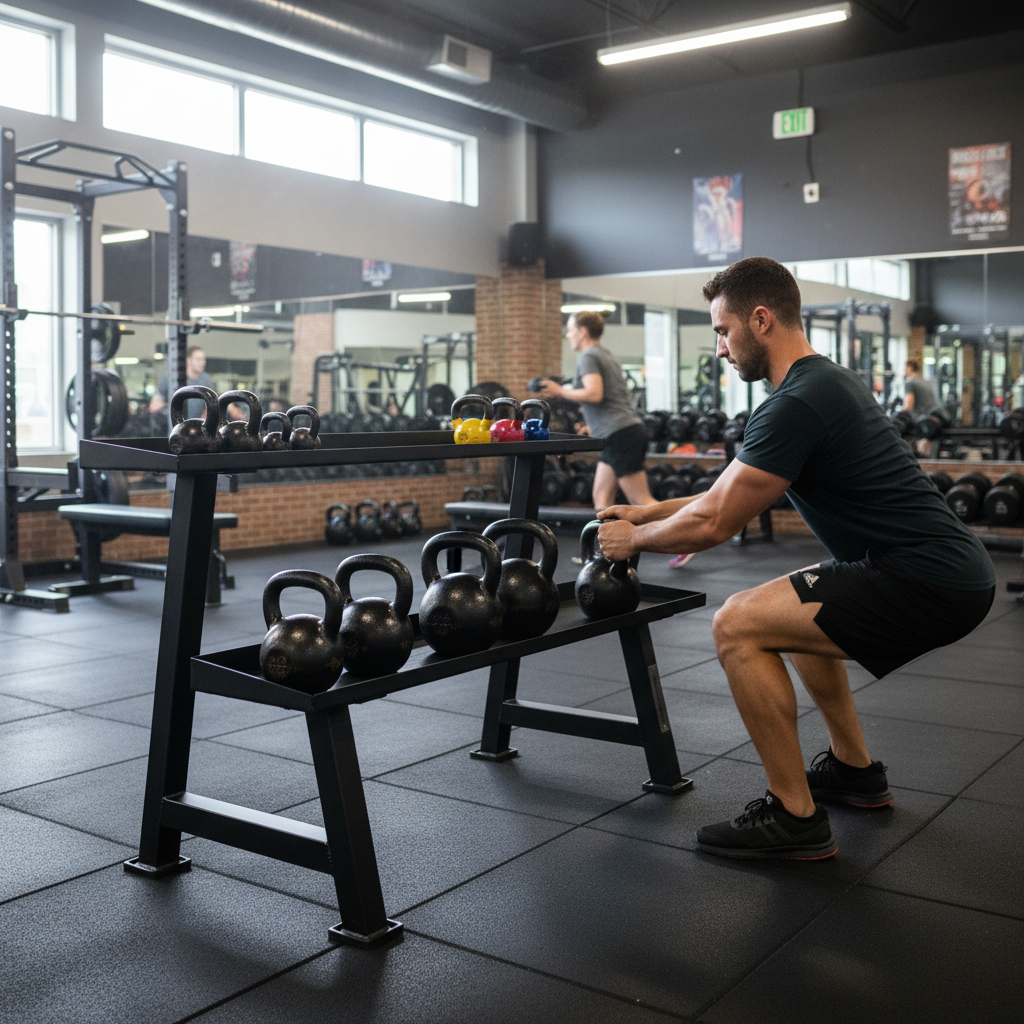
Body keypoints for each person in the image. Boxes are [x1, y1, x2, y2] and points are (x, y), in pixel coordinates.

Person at [596, 257, 995, 861]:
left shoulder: (795, 404)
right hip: (936, 569)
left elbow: (715, 523)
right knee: (797, 606)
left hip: (926, 576)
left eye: (723, 331)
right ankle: (854, 771)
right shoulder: (819, 383)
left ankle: (794, 815)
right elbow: (721, 493)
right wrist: (643, 514)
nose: (723, 350)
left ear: (760, 320)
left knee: (736, 623)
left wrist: (634, 544)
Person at [149, 346, 215, 419]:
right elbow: (154, 406)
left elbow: (211, 405)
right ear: (188, 360)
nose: (202, 363)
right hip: (175, 426)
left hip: (197, 426)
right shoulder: (169, 377)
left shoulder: (206, 379)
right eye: (198, 359)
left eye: (203, 360)